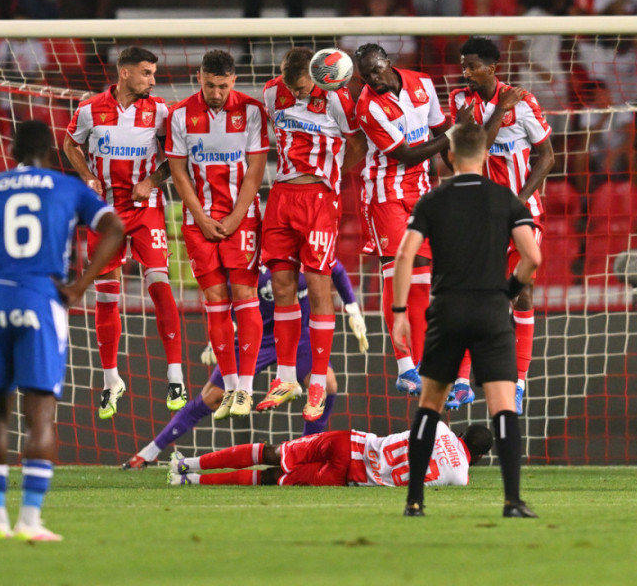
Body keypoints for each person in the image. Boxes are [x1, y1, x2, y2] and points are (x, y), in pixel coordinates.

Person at [0, 120, 124, 541]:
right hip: (40, 299)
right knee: (40, 413)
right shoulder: (64, 187)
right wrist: (78, 287)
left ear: (11, 153)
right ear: (51, 153)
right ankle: (30, 519)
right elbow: (114, 229)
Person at [391, 122, 542, 518]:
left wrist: (400, 313)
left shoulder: (432, 200)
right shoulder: (506, 198)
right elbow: (533, 258)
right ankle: (512, 501)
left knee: (430, 405)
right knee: (503, 407)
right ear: (486, 156)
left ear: (450, 155)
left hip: (447, 310)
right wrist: (507, 292)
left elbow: (405, 256)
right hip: (492, 311)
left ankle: (414, 501)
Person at [121, 263, 368, 470]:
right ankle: (149, 452)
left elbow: (337, 269)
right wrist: (217, 339)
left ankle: (303, 453)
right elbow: (225, 301)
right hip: (255, 339)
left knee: (328, 385)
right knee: (212, 397)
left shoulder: (304, 253)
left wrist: (352, 307)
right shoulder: (248, 266)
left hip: (298, 336)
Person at [63, 46, 186, 420]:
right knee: (105, 294)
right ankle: (110, 379)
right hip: (106, 212)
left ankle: (175, 375)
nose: (152, 80)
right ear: (125, 73)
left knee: (159, 281)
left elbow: (177, 156)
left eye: (153, 73)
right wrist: (86, 175)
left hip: (145, 208)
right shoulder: (89, 109)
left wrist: (152, 179)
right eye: (146, 73)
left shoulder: (161, 112)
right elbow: (70, 144)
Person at [353, 43, 467, 401]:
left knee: (422, 280)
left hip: (422, 190)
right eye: (365, 77)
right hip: (384, 192)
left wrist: (459, 175)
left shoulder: (423, 84)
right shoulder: (367, 106)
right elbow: (406, 153)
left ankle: (423, 365)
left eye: (375, 71)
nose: (372, 80)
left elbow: (440, 129)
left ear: (388, 63)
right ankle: (405, 366)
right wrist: (450, 136)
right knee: (397, 271)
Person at [258, 47, 366, 423]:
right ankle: (286, 377)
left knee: (319, 290)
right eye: (292, 87)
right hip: (282, 196)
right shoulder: (273, 93)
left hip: (319, 199)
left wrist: (332, 177)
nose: (297, 93)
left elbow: (358, 145)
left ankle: (317, 380)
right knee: (283, 287)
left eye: (302, 87)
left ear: (316, 76)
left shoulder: (337, 98)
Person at [450, 36, 554, 412]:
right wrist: (499, 110)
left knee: (521, 294)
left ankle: (519, 382)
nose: (466, 73)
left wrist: (520, 200)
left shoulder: (524, 103)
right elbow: (474, 149)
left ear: (492, 67)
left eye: (473, 66)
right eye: (463, 66)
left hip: (522, 213)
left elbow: (547, 156)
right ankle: (462, 381)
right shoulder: (463, 102)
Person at [165, 50, 270, 418]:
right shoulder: (180, 115)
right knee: (215, 300)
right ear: (199, 78)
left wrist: (238, 216)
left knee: (245, 295)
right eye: (210, 85)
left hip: (243, 219)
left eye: (223, 86)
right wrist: (202, 218)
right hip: (199, 224)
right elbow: (177, 173)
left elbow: (256, 170)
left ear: (234, 81)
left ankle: (246, 389)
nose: (216, 93)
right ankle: (228, 386)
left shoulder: (252, 111)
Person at [167, 421, 492, 487]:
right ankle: (190, 482)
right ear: (477, 458)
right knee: (272, 478)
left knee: (271, 452)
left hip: (351, 444)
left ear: (461, 433)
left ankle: (186, 464)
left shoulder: (440, 428)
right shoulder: (460, 477)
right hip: (348, 477)